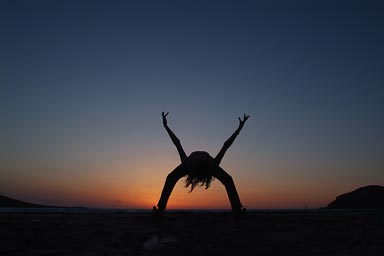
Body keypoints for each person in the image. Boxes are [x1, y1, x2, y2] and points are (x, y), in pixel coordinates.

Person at [153, 112, 249, 218]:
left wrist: (166, 126)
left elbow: (177, 143)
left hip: (191, 168)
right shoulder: (212, 165)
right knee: (228, 179)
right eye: (200, 159)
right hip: (206, 169)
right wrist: (239, 129)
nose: (200, 157)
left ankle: (160, 209)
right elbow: (226, 145)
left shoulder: (188, 164)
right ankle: (237, 210)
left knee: (170, 177)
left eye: (199, 160)